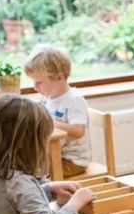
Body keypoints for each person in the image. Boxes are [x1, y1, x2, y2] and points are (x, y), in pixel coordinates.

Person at [25, 45, 91, 178]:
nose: (34, 87)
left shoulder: (74, 100)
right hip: (54, 156)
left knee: (33, 174)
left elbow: (78, 131)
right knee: (26, 166)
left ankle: (48, 198)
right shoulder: (47, 97)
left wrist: (50, 122)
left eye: (39, 82)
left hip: (73, 161)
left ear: (59, 78)